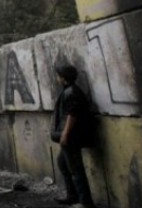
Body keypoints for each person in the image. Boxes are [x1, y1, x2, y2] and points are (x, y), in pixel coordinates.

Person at [51, 65, 96, 208]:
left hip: (72, 138)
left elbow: (72, 115)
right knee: (62, 163)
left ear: (63, 78)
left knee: (76, 170)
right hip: (70, 137)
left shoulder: (72, 92)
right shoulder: (69, 91)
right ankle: (72, 196)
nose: (57, 78)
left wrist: (65, 134)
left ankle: (85, 203)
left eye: (59, 76)